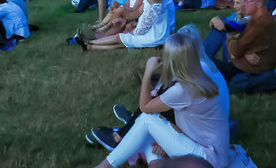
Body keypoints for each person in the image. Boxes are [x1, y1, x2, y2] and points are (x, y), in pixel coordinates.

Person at [91, 31, 232, 167]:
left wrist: (148, 71)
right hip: (212, 152)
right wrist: (165, 139)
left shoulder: (183, 89)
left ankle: (105, 165)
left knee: (147, 119)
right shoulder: (199, 77)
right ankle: (155, 164)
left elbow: (145, 107)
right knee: (148, 131)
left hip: (208, 160)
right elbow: (191, 124)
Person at [208, 0, 276, 93]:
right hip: (246, 65)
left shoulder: (260, 24)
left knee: (207, 63)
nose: (245, 4)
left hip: (249, 69)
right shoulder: (261, 19)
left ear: (258, 4)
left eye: (248, 1)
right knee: (207, 63)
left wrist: (231, 36)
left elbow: (235, 50)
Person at [80, 0, 173, 51]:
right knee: (122, 43)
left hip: (155, 38)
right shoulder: (156, 6)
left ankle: (90, 42)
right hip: (157, 37)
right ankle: (89, 46)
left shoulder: (154, 10)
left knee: (119, 37)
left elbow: (140, 31)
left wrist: (129, 30)